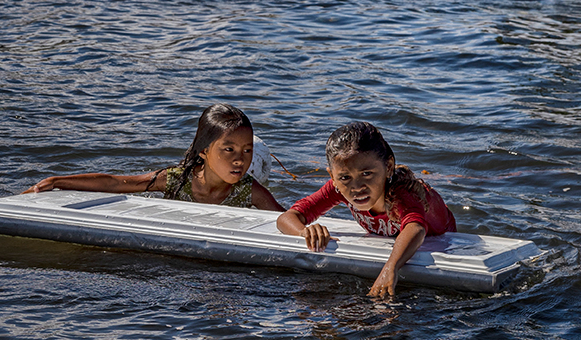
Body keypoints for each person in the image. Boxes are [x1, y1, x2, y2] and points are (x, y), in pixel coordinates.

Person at [276, 121, 456, 297]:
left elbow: (415, 227)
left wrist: (390, 268)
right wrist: (305, 232)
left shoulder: (402, 193)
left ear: (389, 167)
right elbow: (286, 218)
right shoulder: (338, 187)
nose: (357, 187)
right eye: (345, 177)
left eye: (367, 174)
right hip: (392, 237)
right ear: (333, 176)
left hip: (440, 238)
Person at [26, 104, 285, 211]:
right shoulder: (176, 180)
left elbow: (286, 219)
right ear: (204, 151)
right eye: (229, 150)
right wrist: (57, 181)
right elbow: (118, 183)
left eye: (247, 150)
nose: (241, 159)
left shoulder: (250, 192)